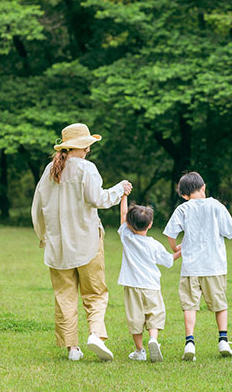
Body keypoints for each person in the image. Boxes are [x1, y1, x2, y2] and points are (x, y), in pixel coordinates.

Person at [32, 123, 132, 361]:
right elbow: (97, 199)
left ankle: (72, 348)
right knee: (95, 293)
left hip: (57, 247)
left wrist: (43, 236)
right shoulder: (87, 168)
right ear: (83, 145)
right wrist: (120, 189)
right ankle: (95, 335)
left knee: (64, 296)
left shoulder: (50, 170)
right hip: (87, 242)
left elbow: (37, 207)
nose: (89, 150)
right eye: (88, 145)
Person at [163, 172, 232, 361]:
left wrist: (175, 247)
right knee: (220, 304)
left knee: (189, 306)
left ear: (183, 194)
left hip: (191, 266)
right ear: (203, 187)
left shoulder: (183, 209)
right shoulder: (216, 206)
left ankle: (190, 342)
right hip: (214, 266)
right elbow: (229, 231)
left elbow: (171, 232)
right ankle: (223, 339)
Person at [117, 195, 181, 362]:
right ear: (150, 224)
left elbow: (123, 215)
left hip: (132, 285)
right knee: (154, 315)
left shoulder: (126, 236)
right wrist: (183, 250)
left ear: (129, 225)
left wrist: (124, 196)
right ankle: (153, 339)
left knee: (135, 319)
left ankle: (140, 351)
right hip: (151, 286)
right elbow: (169, 260)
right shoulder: (154, 244)